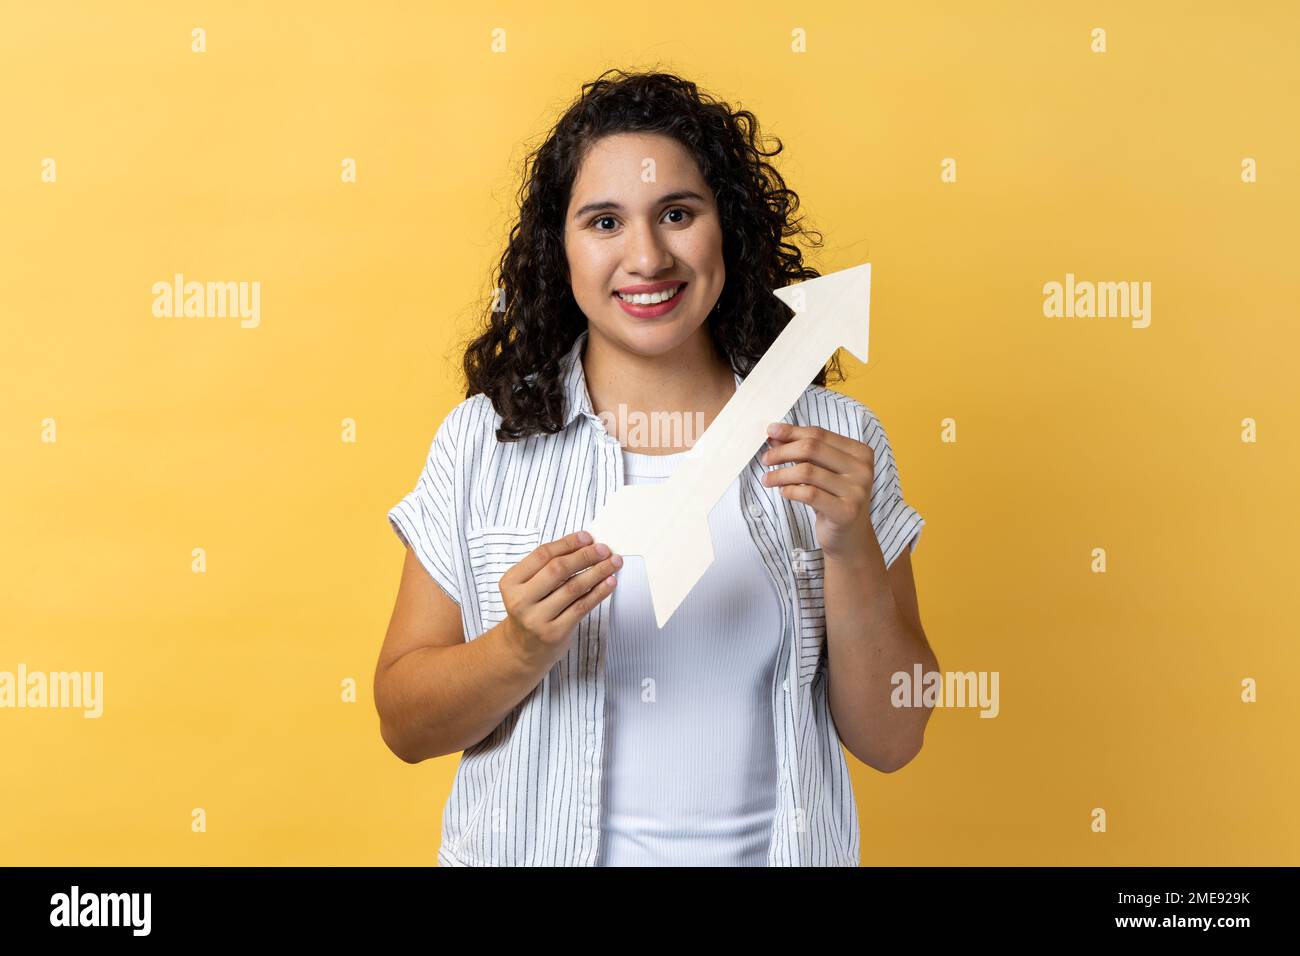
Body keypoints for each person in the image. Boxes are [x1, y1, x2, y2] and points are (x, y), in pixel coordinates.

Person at [375, 69, 937, 866]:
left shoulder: (836, 441)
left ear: (726, 230)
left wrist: (850, 548)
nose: (647, 256)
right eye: (604, 221)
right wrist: (517, 649)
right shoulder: (482, 444)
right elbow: (403, 725)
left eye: (678, 213)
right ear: (559, 250)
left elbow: (893, 737)